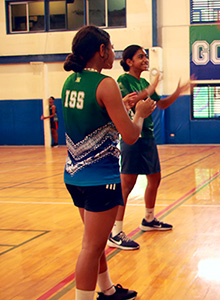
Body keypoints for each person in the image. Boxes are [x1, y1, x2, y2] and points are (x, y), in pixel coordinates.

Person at [62, 26, 156, 300]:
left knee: (97, 241)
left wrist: (123, 107)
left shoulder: (70, 82)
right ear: (101, 50)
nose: (113, 52)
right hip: (100, 180)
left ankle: (108, 290)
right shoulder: (106, 84)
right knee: (91, 248)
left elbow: (98, 120)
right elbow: (130, 135)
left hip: (74, 176)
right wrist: (138, 113)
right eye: (111, 47)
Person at [107, 44, 193, 251]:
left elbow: (161, 104)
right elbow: (134, 100)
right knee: (126, 185)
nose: (145, 60)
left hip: (147, 137)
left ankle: (149, 219)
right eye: (140, 57)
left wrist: (178, 92)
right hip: (131, 136)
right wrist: (152, 87)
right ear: (129, 62)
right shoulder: (123, 81)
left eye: (146, 57)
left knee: (155, 178)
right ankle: (115, 232)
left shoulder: (144, 81)